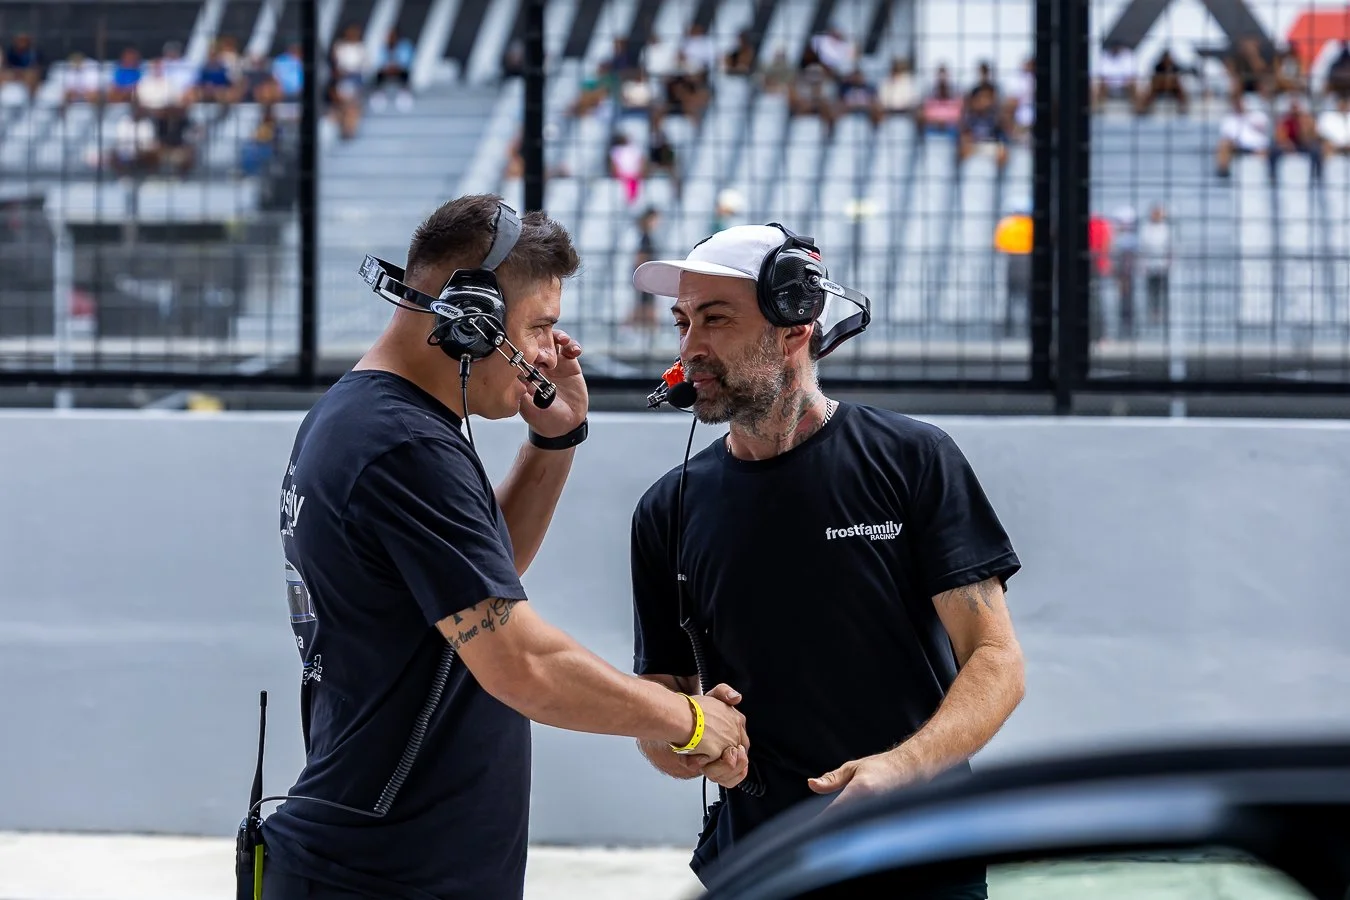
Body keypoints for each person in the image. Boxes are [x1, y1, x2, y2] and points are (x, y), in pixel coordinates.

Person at [260, 195, 748, 900]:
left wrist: (555, 440)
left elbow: (479, 575)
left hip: (374, 861)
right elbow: (520, 663)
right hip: (386, 874)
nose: (551, 350)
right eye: (541, 325)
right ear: (470, 316)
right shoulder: (404, 446)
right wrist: (690, 719)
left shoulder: (362, 417)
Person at [627, 224, 1027, 897]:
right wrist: (686, 742)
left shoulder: (913, 460)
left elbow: (997, 659)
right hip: (756, 869)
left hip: (918, 859)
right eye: (682, 321)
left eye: (715, 319)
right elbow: (662, 707)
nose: (690, 346)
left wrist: (903, 767)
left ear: (796, 323)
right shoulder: (667, 509)